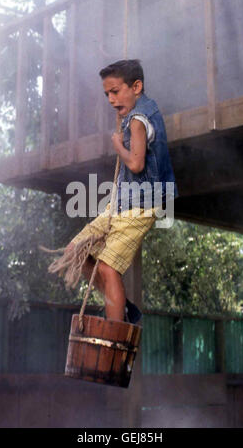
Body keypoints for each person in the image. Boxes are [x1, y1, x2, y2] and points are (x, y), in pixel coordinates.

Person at [65, 59, 177, 323]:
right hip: (121, 202)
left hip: (142, 203)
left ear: (136, 86)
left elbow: (137, 164)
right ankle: (122, 305)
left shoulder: (139, 119)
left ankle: (116, 338)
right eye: (107, 94)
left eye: (115, 91)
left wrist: (118, 144)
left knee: (107, 268)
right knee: (74, 251)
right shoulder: (136, 112)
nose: (111, 99)